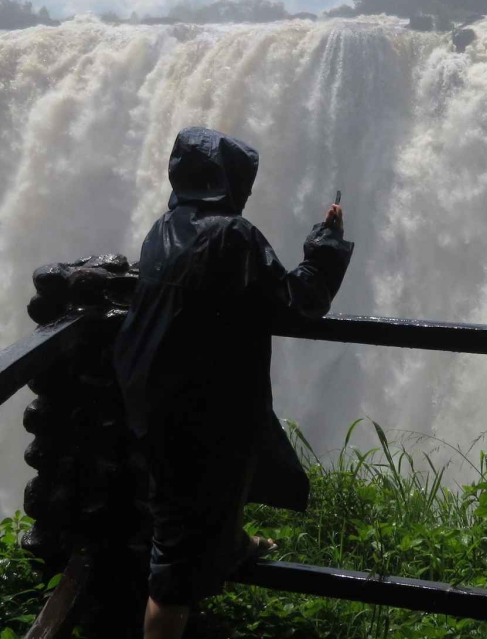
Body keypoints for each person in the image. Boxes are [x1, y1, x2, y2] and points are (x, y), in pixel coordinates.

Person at [112, 126, 354, 639]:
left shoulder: (163, 227)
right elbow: (298, 299)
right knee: (173, 568)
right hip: (198, 406)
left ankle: (230, 544)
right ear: (227, 181)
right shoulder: (231, 236)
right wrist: (326, 243)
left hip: (149, 393)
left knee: (186, 501)